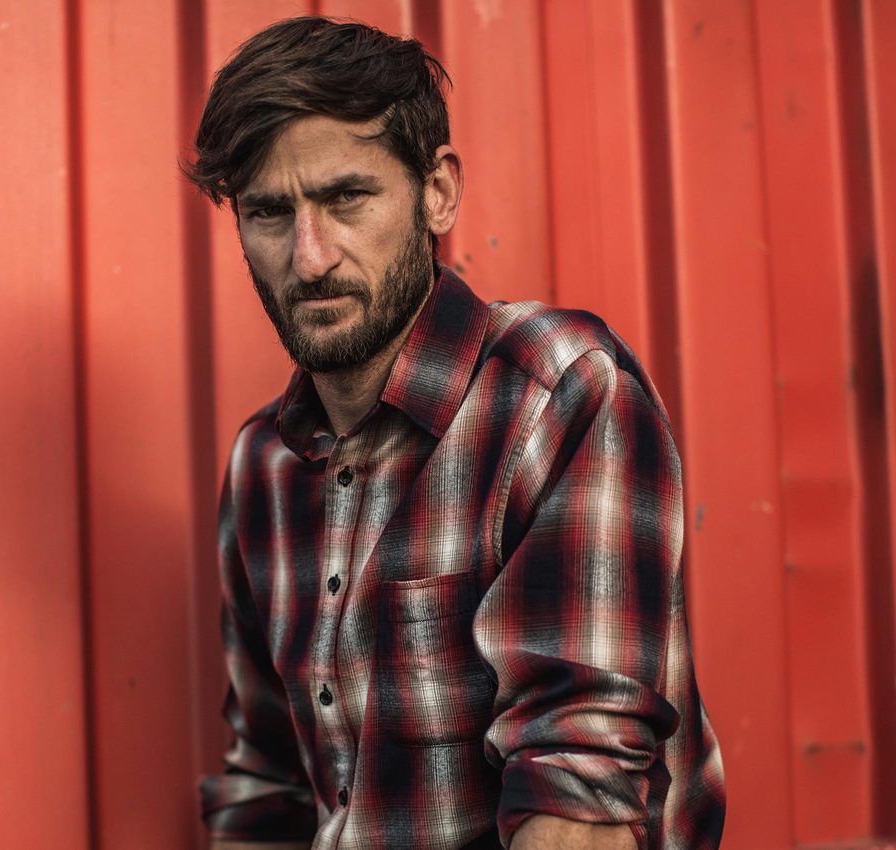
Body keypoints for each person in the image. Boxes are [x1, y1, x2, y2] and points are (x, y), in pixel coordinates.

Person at [186, 17, 725, 850]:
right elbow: (269, 784)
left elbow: (581, 792)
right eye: (268, 211)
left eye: (345, 198)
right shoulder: (264, 463)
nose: (310, 257)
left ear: (436, 191)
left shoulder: (556, 393)